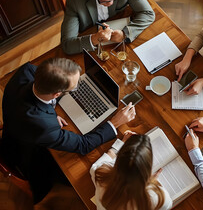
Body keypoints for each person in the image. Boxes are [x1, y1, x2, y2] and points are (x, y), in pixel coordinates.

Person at [1, 58, 136, 204]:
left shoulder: (26, 71)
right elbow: (83, 145)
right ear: (57, 94)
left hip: (17, 124)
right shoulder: (44, 127)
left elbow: (37, 103)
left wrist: (50, 111)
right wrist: (115, 122)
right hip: (29, 155)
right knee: (80, 175)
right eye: (74, 87)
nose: (77, 87)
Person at [61, 0, 155, 55]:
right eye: (104, 1)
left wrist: (124, 34)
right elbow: (67, 45)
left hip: (119, 42)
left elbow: (148, 13)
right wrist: (95, 38)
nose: (110, 3)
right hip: (92, 45)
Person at [90, 131, 172, 210]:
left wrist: (121, 143)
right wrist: (152, 182)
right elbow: (168, 205)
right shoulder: (158, 198)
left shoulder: (100, 175)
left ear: (118, 161)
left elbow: (97, 164)